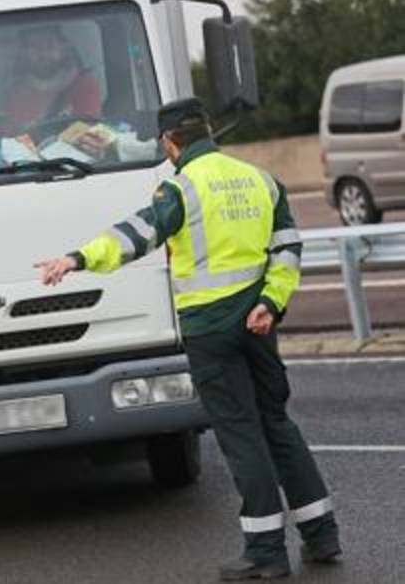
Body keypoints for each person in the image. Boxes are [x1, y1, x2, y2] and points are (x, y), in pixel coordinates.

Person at [34, 98, 340, 581]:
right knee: (277, 425)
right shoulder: (261, 180)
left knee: (241, 436)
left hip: (209, 330)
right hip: (259, 323)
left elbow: (135, 235)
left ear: (169, 143)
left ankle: (266, 551)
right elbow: (286, 249)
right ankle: (321, 535)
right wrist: (271, 303)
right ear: (209, 132)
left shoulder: (180, 188)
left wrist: (77, 258)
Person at [0, 25, 102, 137]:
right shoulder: (17, 92)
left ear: (62, 49)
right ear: (24, 53)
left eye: (50, 46)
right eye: (34, 47)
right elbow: (10, 138)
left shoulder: (83, 84)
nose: (43, 53)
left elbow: (89, 133)